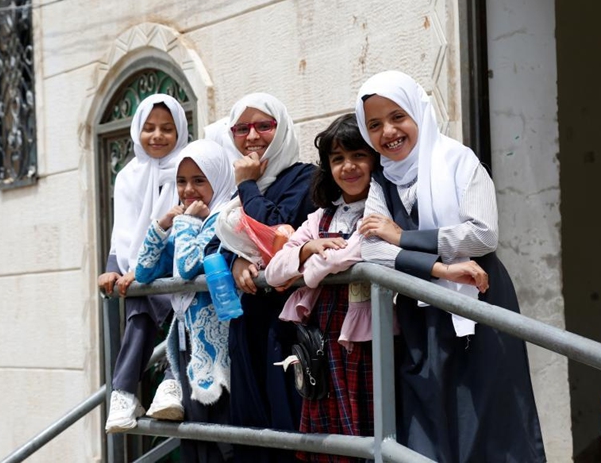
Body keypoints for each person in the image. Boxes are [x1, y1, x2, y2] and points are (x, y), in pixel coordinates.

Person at [266, 114, 488, 463]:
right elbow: (275, 270)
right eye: (337, 159)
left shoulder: (383, 210)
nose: (348, 167)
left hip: (371, 344)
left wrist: (310, 264)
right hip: (324, 345)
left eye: (358, 156)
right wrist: (308, 249)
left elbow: (355, 253)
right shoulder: (320, 218)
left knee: (374, 434)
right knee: (329, 440)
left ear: (375, 160)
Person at [355, 70, 546, 463]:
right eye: (374, 124)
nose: (388, 131)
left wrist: (403, 238)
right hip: (420, 314)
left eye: (397, 116)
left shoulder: (459, 161)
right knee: (430, 421)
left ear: (418, 113)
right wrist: (440, 270)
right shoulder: (381, 182)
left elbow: (482, 235)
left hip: (480, 304)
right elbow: (372, 252)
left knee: (492, 418)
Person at [208, 93, 317, 463]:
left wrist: (248, 186)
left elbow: (275, 232)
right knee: (253, 439)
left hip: (291, 328)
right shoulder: (236, 192)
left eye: (264, 126)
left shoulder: (305, 178)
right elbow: (213, 243)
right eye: (241, 128)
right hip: (249, 329)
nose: (252, 136)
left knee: (291, 433)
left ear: (282, 128)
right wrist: (235, 259)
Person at [134, 139, 236, 462]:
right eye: (181, 181)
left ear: (218, 179)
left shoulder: (225, 220)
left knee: (223, 443)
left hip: (219, 349)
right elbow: (144, 270)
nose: (188, 190)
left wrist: (187, 223)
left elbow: (186, 268)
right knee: (194, 443)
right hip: (184, 347)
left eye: (199, 180)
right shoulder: (182, 226)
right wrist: (163, 225)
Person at [99, 94, 188, 432]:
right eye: (149, 128)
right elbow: (121, 233)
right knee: (137, 298)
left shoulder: (188, 167)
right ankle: (126, 393)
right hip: (139, 272)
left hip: (178, 261)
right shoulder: (126, 176)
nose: (157, 136)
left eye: (167, 128)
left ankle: (169, 379)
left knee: (173, 299)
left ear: (181, 130)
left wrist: (146, 266)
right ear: (137, 130)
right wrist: (114, 267)